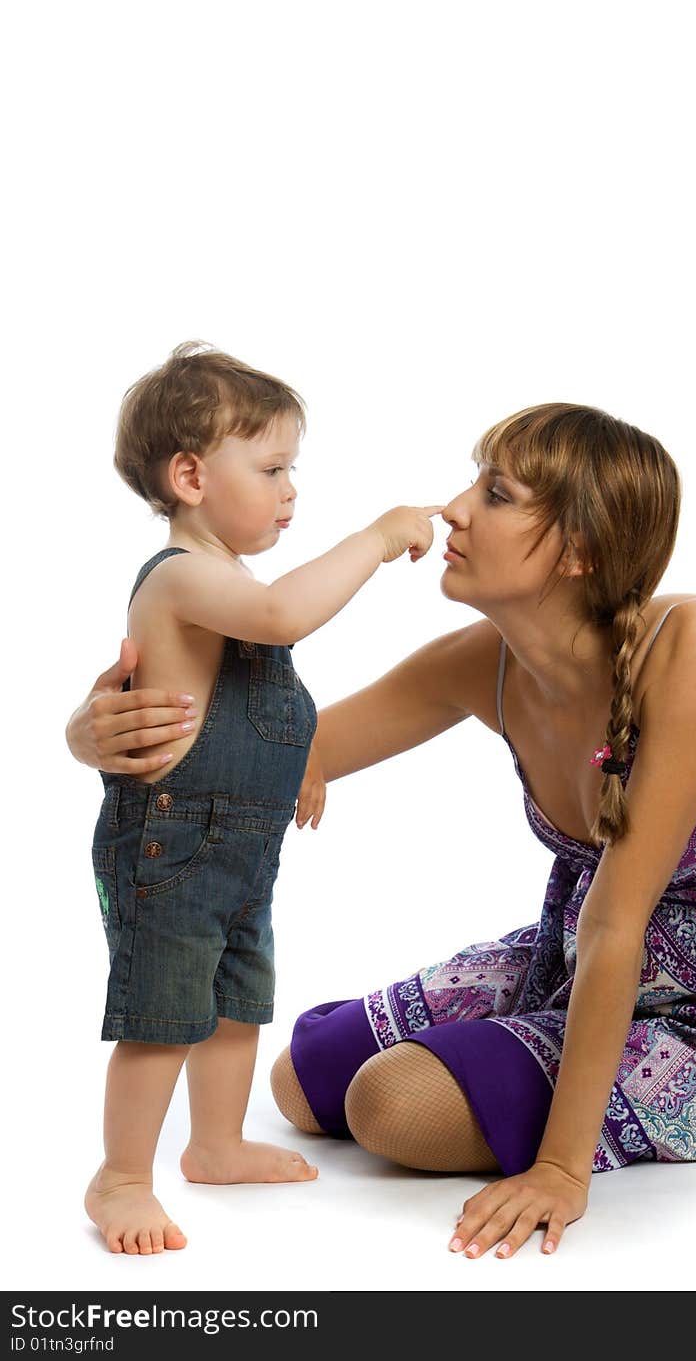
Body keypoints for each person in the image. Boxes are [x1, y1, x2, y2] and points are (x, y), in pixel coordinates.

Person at [68, 401, 696, 1262]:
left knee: (388, 1106)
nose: (455, 510)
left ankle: (537, 1084)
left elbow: (617, 924)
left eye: (497, 494)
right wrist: (93, 735)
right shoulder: (485, 664)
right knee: (305, 1076)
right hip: (572, 959)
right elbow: (281, 752)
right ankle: (497, 1055)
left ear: (580, 549)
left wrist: (560, 1169)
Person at [76, 341, 441, 1256]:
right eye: (272, 468)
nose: (289, 491)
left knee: (239, 1002)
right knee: (164, 1016)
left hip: (241, 848)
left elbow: (261, 700)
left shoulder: (228, 581)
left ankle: (217, 1143)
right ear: (191, 475)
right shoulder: (181, 577)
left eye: (293, 471)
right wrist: (376, 535)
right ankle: (120, 1177)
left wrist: (302, 765)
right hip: (170, 841)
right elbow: (283, 618)